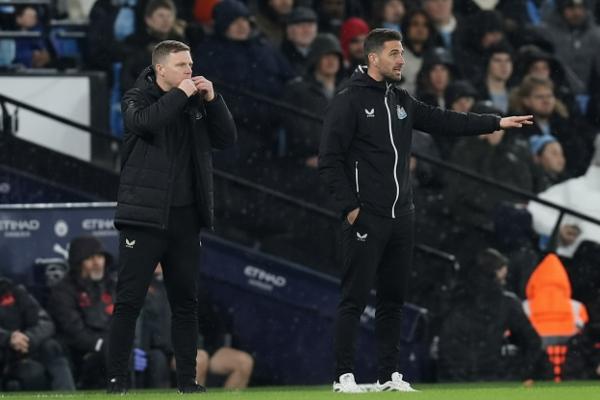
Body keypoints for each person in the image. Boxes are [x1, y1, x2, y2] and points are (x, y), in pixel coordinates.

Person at [318, 28, 533, 393]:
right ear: (373, 58)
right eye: (394, 53)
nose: (401, 60)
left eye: (402, 53)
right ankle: (344, 376)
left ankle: (388, 375)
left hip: (402, 217)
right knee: (354, 298)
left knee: (393, 300)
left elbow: (445, 120)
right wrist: (351, 209)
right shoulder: (348, 101)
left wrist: (495, 122)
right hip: (367, 216)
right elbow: (329, 160)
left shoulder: (401, 100)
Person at [106, 39, 237, 394]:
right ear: (160, 69)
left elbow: (227, 138)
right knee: (129, 302)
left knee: (185, 303)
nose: (190, 70)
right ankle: (117, 381)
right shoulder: (136, 98)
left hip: (186, 218)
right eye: (182, 65)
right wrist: (181, 94)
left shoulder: (195, 102)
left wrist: (214, 100)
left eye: (190, 64)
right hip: (144, 218)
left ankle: (187, 381)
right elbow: (147, 123)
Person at [438, 248, 543, 382]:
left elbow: (444, 346)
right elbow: (533, 343)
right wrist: (514, 374)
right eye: (503, 278)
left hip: (456, 381)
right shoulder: (505, 303)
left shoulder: (454, 299)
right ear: (496, 273)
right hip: (493, 379)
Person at [47, 236, 116, 389]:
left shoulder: (113, 286)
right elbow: (72, 329)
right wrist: (100, 344)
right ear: (78, 263)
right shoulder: (62, 291)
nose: (97, 263)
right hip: (78, 352)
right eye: (90, 258)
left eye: (100, 257)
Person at [0, 277, 75, 391]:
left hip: (26, 346)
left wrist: (28, 338)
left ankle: (66, 394)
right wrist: (8, 338)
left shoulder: (16, 292)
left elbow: (45, 322)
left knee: (51, 347)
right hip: (4, 348)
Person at [280, 6, 318, 76]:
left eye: (310, 26)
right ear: (289, 31)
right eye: (301, 26)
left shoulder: (323, 53)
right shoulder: (280, 56)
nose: (306, 30)